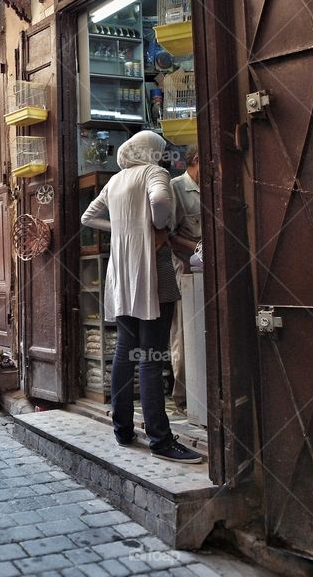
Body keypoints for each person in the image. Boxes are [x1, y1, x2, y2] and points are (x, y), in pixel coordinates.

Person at [81, 130, 202, 463]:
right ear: (151, 152)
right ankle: (160, 440)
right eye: (161, 150)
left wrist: (122, 228)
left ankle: (122, 430)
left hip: (121, 274)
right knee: (151, 357)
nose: (163, 156)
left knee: (125, 350)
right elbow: (161, 201)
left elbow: (88, 217)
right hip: (152, 272)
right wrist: (156, 226)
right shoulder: (154, 173)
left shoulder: (117, 180)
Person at [168, 146, 202, 413]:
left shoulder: (209, 186)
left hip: (207, 271)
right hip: (185, 271)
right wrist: (197, 249)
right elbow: (168, 236)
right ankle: (182, 397)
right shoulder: (176, 187)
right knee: (184, 330)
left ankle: (203, 391)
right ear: (197, 160)